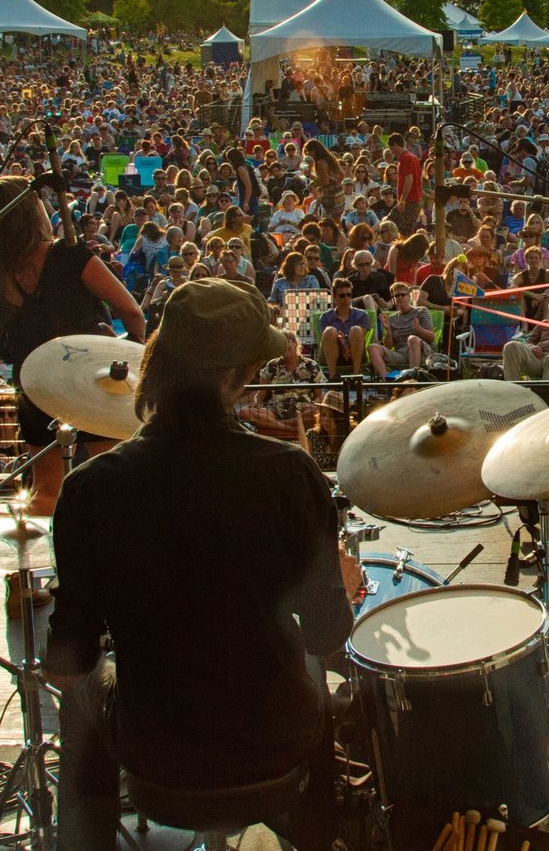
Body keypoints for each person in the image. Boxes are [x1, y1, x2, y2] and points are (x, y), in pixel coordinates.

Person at [45, 278, 358, 851]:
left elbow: (66, 665)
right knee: (311, 677)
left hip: (153, 752)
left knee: (83, 694)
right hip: (274, 744)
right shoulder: (288, 474)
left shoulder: (90, 489)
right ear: (233, 375)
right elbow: (328, 635)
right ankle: (319, 836)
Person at [0, 176, 146, 515]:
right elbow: (132, 312)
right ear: (31, 212)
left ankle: (44, 561)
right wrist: (125, 349)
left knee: (45, 490)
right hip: (89, 378)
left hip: (36, 384)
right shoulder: (69, 256)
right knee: (110, 484)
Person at [368, 282, 435, 375]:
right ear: (394, 300)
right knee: (372, 348)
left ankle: (413, 378)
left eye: (403, 295)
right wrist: (387, 330)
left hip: (422, 352)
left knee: (412, 339)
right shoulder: (391, 318)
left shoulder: (422, 311)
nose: (400, 297)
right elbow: (388, 346)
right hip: (401, 354)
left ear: (409, 297)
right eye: (396, 296)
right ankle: (386, 382)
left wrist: (419, 329)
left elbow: (431, 338)